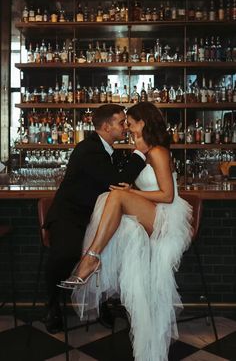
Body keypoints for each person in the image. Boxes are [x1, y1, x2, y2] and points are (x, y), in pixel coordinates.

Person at [60, 102, 193, 361]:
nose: (127, 126)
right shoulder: (141, 151)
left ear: (142, 122)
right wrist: (129, 185)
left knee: (119, 197)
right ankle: (94, 258)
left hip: (166, 217)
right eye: (123, 123)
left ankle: (91, 258)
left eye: (129, 121)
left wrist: (131, 192)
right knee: (115, 198)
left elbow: (167, 195)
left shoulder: (158, 152)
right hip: (151, 213)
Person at [43, 104, 148, 333]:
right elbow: (118, 184)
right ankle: (52, 306)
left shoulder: (110, 150)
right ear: (106, 126)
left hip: (93, 217)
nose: (125, 127)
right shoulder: (89, 149)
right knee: (67, 253)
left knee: (115, 247)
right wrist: (140, 152)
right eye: (121, 123)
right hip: (69, 216)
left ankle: (102, 303)